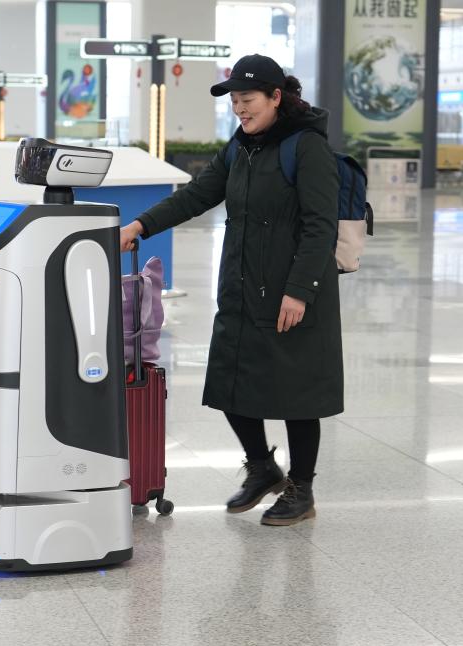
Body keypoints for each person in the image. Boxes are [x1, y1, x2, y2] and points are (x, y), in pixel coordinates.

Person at [119, 54, 342, 526]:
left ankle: (301, 489)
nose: (240, 108)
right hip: (242, 288)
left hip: (290, 291)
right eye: (235, 100)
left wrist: (299, 290)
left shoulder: (307, 148)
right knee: (229, 380)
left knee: (297, 393)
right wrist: (141, 225)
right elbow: (197, 194)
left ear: (276, 97)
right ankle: (261, 467)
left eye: (248, 99)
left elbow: (321, 226)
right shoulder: (240, 147)